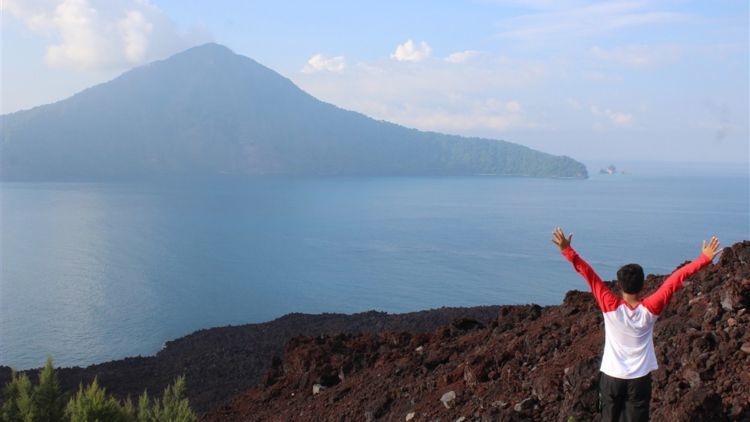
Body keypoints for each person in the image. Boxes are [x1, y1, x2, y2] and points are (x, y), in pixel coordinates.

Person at [551, 227, 720, 422]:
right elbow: (675, 280)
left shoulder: (610, 305)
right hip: (639, 380)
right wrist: (704, 259)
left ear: (620, 285)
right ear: (642, 285)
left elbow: (589, 274)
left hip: (612, 377)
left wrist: (567, 250)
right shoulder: (651, 307)